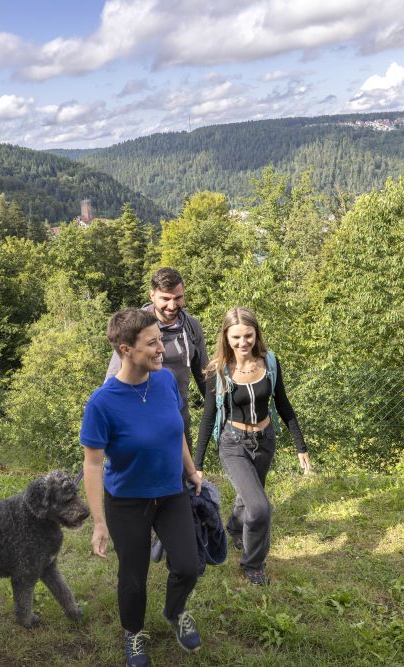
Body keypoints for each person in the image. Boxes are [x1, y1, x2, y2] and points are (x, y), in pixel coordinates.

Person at [83, 308, 205, 667]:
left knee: (188, 565)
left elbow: (176, 431)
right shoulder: (102, 403)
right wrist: (99, 521)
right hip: (127, 502)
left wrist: (192, 470)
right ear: (125, 349)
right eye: (152, 344)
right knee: (133, 579)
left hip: (171, 493)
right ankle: (133, 634)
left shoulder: (166, 381)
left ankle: (174, 610)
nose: (161, 350)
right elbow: (92, 465)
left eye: (160, 342)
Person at [194, 307, 311, 586]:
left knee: (250, 494)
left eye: (248, 335)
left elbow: (283, 403)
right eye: (236, 337)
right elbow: (208, 417)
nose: (242, 342)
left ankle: (235, 527)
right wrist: (196, 465)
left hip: (265, 439)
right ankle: (253, 564)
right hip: (233, 443)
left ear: (256, 333)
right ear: (225, 337)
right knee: (259, 507)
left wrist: (301, 446)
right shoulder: (217, 371)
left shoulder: (269, 362)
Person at [106, 267, 208, 448]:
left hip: (178, 419)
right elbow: (113, 375)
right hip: (140, 419)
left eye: (178, 298)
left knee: (181, 474)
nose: (172, 305)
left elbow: (204, 376)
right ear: (151, 295)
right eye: (165, 299)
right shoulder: (134, 327)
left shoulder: (192, 327)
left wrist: (220, 411)